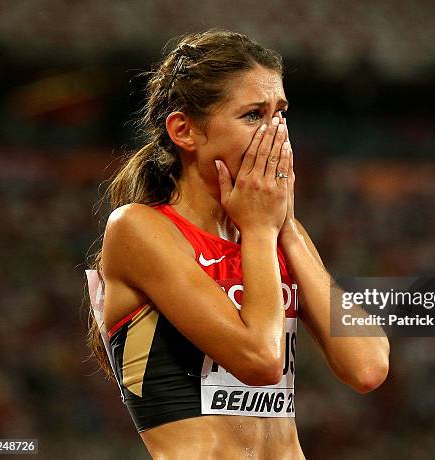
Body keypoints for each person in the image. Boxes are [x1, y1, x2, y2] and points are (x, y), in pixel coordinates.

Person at [86, 29, 390, 459]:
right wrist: (264, 232)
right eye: (253, 115)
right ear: (184, 130)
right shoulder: (138, 229)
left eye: (280, 113)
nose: (276, 133)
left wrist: (285, 229)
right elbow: (261, 360)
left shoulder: (274, 232)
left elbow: (368, 366)